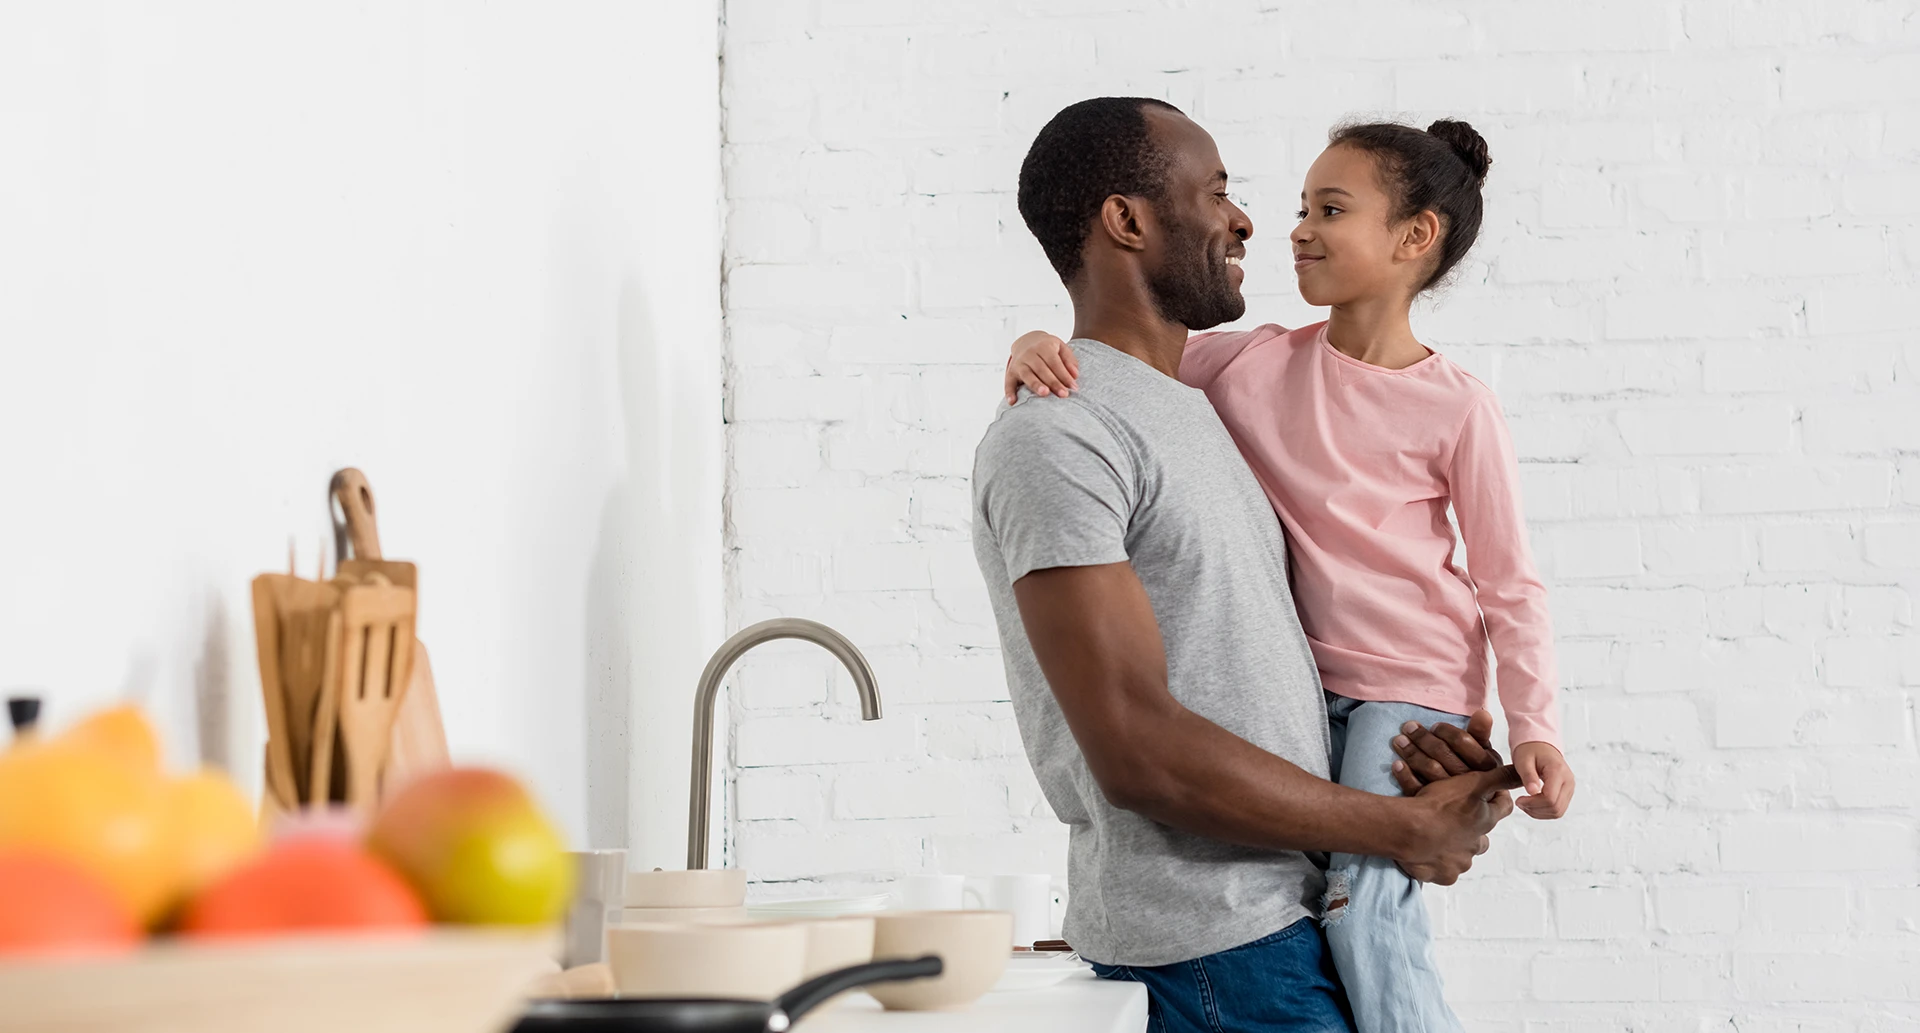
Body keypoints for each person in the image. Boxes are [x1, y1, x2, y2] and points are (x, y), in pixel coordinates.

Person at [1001, 117, 1577, 1033]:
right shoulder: (1214, 376)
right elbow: (1120, 354)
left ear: (1412, 237)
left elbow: (1509, 582)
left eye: (1330, 209)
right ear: (1126, 219)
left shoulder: (1452, 405)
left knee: (1374, 919)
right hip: (1230, 918)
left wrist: (1523, 728)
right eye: (1232, 194)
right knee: (1370, 908)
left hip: (1383, 725)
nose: (1275, 226)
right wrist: (1032, 340)